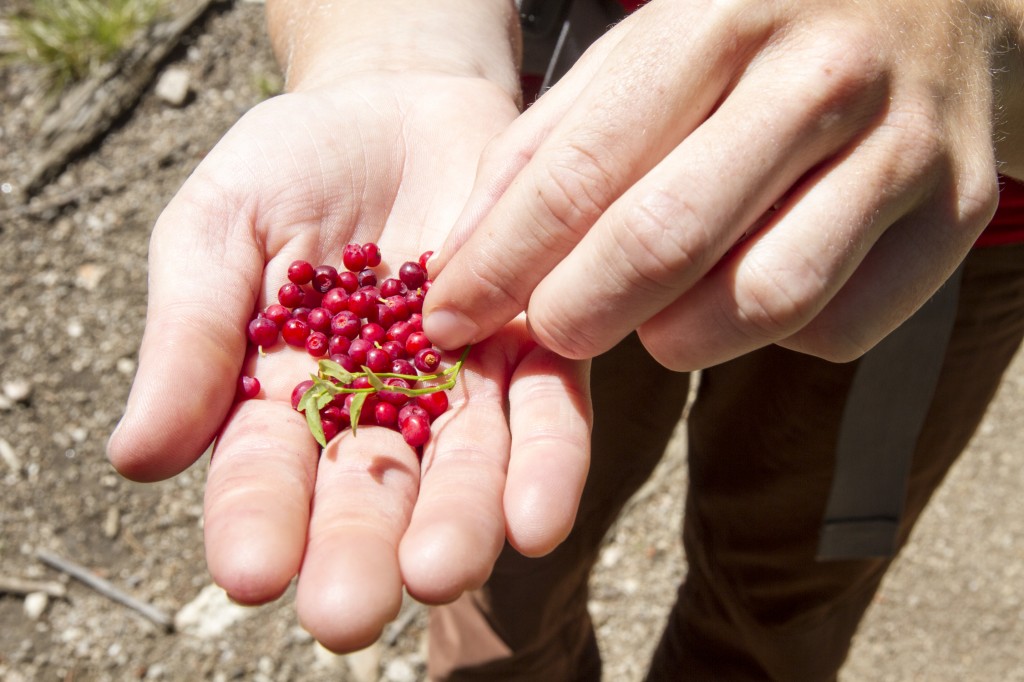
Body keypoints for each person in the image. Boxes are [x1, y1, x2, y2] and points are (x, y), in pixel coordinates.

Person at [106, 0, 1024, 679]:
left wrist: (976, 30)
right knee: (504, 567)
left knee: (792, 582)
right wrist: (389, 45)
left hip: (924, 211)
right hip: (537, 158)